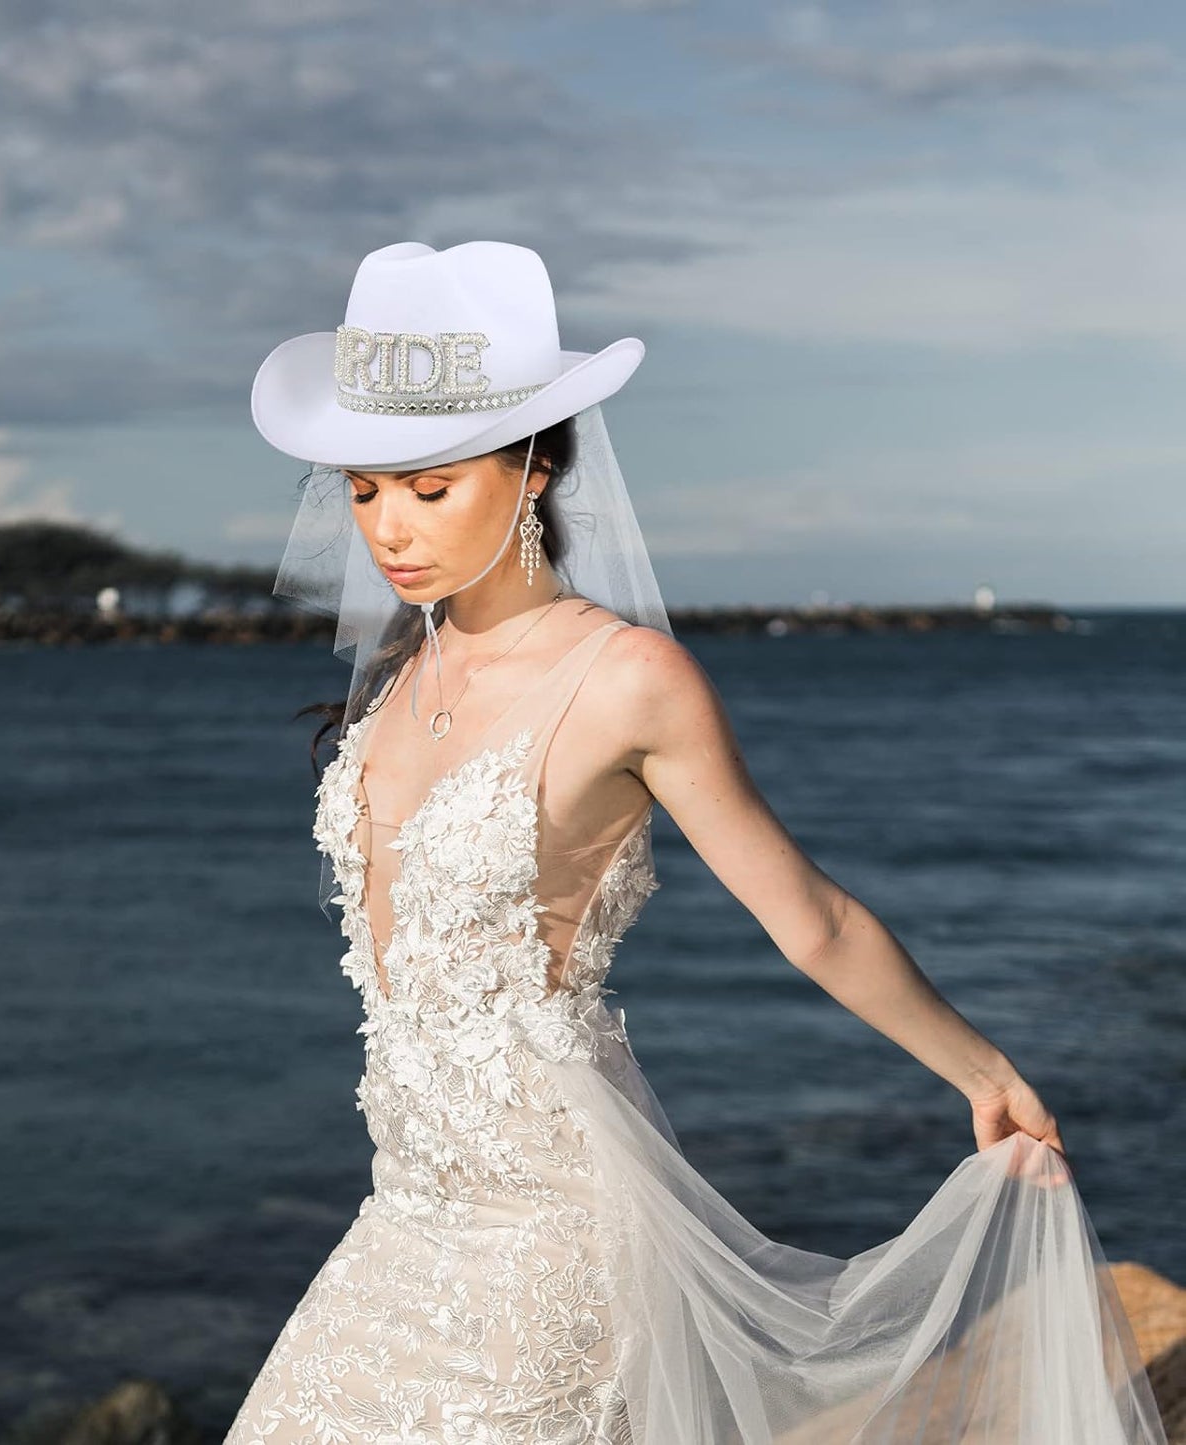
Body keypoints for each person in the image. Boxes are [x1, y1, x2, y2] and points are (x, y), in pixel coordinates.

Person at [228, 240, 1167, 1443]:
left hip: (546, 1233)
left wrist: (986, 1077)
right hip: (400, 1216)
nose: (388, 529)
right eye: (364, 489)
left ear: (530, 471)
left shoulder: (625, 678)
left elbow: (810, 918)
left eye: (429, 485)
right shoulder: (404, 676)